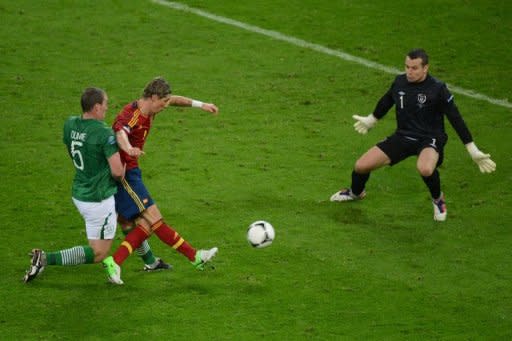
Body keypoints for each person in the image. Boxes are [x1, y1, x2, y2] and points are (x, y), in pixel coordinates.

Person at [330, 48, 496, 221]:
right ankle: (356, 193)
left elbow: (455, 118)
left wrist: (472, 149)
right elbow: (387, 100)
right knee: (361, 166)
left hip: (429, 138)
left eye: (414, 68)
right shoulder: (400, 82)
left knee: (424, 168)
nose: (409, 71)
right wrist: (372, 119)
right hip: (403, 136)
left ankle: (438, 199)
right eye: (407, 66)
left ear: (425, 68)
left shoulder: (438, 89)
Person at [102, 77, 219, 284]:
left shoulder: (151, 107)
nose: (166, 105)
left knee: (145, 226)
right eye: (163, 102)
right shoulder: (131, 115)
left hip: (132, 171)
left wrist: (202, 105)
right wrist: (128, 148)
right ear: (153, 97)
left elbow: (176, 100)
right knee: (155, 219)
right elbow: (120, 132)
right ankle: (195, 257)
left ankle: (115, 262)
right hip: (125, 174)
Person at [24, 87, 125, 283]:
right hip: (99, 199)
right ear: (96, 107)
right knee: (99, 253)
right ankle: (44, 258)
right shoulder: (104, 133)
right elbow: (117, 172)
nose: (107, 108)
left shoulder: (70, 124)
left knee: (96, 245)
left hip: (80, 193)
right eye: (105, 105)